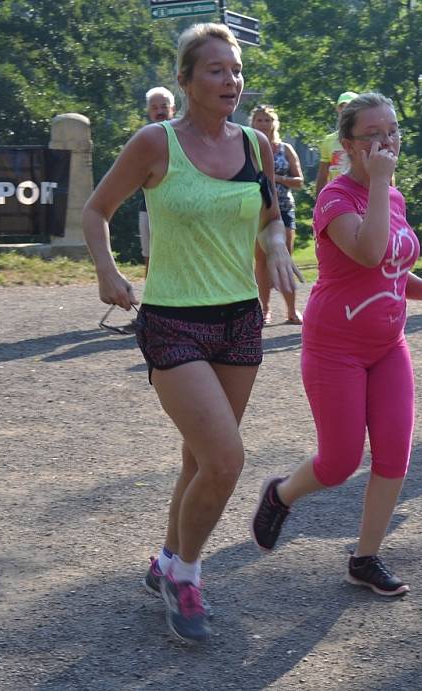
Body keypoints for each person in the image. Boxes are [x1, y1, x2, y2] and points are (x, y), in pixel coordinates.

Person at [82, 23, 300, 643]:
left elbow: (269, 219)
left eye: (235, 70)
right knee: (227, 460)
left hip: (239, 322)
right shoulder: (157, 143)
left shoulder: (256, 147)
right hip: (174, 320)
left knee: (199, 457)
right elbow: (97, 210)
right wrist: (107, 271)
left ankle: (166, 560)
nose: (231, 80)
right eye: (215, 70)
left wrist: (277, 247)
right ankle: (185, 575)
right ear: (186, 80)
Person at [250, 92, 422, 596]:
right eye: (374, 135)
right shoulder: (334, 199)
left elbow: (392, 268)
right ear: (348, 145)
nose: (387, 142)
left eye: (392, 131)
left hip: (389, 345)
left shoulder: (395, 197)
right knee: (339, 462)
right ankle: (280, 494)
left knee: (394, 456)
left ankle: (365, 558)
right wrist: (382, 181)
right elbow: (367, 253)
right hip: (334, 347)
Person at [250, 104, 305, 325]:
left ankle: (291, 310)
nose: (264, 124)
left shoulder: (285, 149)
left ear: (275, 123)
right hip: (257, 208)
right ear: (252, 123)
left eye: (267, 120)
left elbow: (300, 181)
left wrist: (276, 178)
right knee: (261, 260)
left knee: (284, 257)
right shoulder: (247, 148)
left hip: (283, 207)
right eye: (259, 120)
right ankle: (264, 310)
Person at [139, 87, 176, 276]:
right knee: (151, 260)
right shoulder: (142, 140)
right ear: (149, 111)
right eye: (154, 107)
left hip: (180, 209)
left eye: (164, 106)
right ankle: (150, 303)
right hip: (149, 208)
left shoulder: (187, 137)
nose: (159, 111)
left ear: (173, 109)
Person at [314, 91, 359, 196]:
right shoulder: (328, 140)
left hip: (360, 194)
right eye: (342, 106)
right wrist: (318, 203)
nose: (345, 110)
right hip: (337, 195)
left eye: (350, 106)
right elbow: (322, 175)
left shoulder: (367, 138)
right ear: (338, 110)